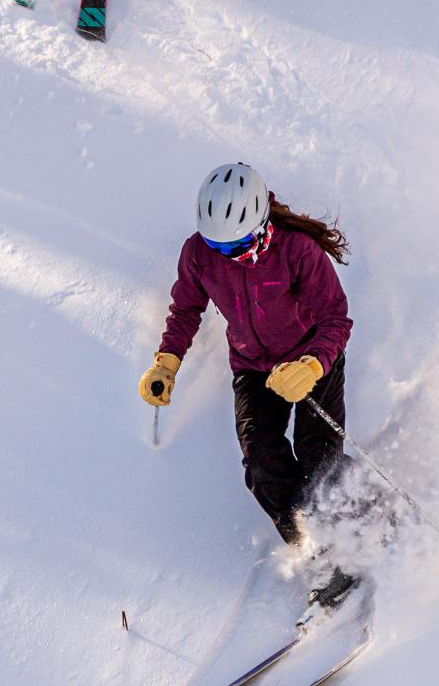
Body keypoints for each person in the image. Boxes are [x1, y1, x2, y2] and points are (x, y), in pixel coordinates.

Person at [139, 163, 358, 603]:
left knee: (320, 462)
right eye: (216, 243)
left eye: (236, 243)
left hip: (312, 360)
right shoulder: (199, 254)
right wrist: (166, 364)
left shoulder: (297, 251)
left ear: (259, 224)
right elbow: (185, 310)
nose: (224, 253)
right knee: (261, 463)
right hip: (253, 368)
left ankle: (349, 522)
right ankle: (319, 553)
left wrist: (313, 365)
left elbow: (336, 316)